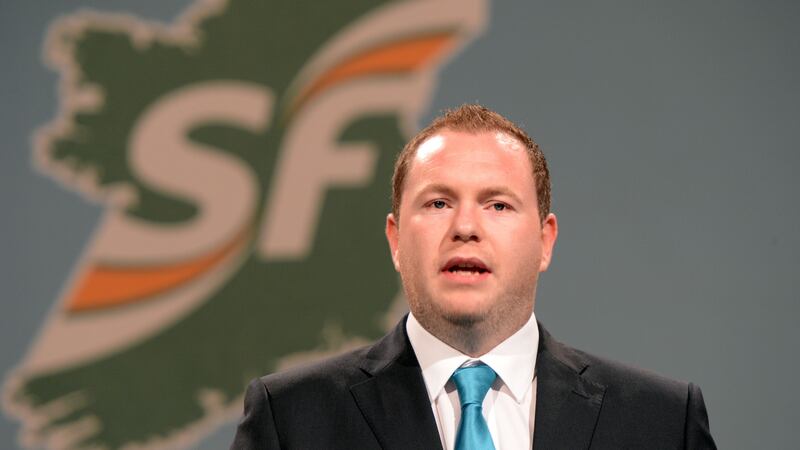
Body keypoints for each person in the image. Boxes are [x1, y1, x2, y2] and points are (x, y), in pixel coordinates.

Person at [230, 104, 716, 449]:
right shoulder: (291, 419)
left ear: (545, 241)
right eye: (438, 203)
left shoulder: (661, 423)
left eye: (498, 204)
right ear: (396, 240)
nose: (465, 227)